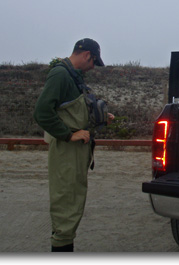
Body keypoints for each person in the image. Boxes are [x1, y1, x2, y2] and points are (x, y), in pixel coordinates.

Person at [34, 38, 114, 251]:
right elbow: (42, 112)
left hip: (76, 151)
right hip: (66, 149)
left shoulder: (73, 76)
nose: (93, 67)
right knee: (66, 202)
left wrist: (102, 116)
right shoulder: (61, 74)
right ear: (88, 55)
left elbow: (72, 110)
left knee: (73, 199)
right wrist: (68, 135)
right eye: (94, 62)